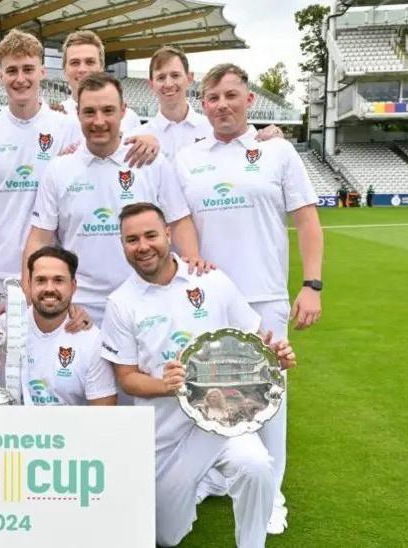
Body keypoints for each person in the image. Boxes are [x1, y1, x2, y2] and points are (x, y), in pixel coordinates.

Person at [173, 63, 323, 533]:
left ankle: (270, 494)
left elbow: (307, 222)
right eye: (212, 97)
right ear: (203, 103)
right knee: (206, 393)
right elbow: (180, 222)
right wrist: (195, 265)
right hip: (207, 300)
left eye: (231, 95)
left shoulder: (276, 152)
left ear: (250, 99)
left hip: (264, 297)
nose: (222, 105)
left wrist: (311, 284)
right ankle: (216, 476)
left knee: (268, 401)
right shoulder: (187, 157)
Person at [99, 202, 297, 548]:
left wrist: (274, 359)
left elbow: (253, 342)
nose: (142, 246)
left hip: (221, 423)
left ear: (168, 234)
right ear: (122, 245)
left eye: (150, 235)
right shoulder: (121, 302)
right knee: (164, 537)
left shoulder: (212, 281)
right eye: (132, 240)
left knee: (255, 465)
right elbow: (127, 378)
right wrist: (164, 385)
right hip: (165, 437)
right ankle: (207, 480)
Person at [0, 29, 158, 292]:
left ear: (42, 72)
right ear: (0, 75)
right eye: (12, 70)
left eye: (28, 69)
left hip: (50, 278)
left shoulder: (69, 128)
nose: (20, 78)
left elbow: (115, 149)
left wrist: (151, 138)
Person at [23, 72, 201, 324]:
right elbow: (39, 238)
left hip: (147, 302)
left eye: (108, 111)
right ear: (78, 114)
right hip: (79, 310)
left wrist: (188, 282)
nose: (99, 121)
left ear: (123, 111)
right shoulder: (59, 169)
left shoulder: (151, 161)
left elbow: (179, 221)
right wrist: (31, 299)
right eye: (89, 112)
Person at [0, 246, 115, 405]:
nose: (49, 288)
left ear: (73, 286)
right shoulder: (1, 327)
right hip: (7, 428)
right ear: (28, 285)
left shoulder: (92, 340)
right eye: (41, 280)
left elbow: (103, 411)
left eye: (58, 280)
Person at [132, 46, 281, 162]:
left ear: (189, 78)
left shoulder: (217, 129)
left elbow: (248, 147)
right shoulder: (136, 137)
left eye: (175, 75)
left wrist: (272, 137)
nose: (169, 83)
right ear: (151, 85)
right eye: (161, 77)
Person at [58, 30, 141, 135]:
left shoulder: (129, 119)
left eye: (90, 62)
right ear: (65, 70)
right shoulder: (53, 119)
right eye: (75, 63)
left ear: (102, 67)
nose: (82, 69)